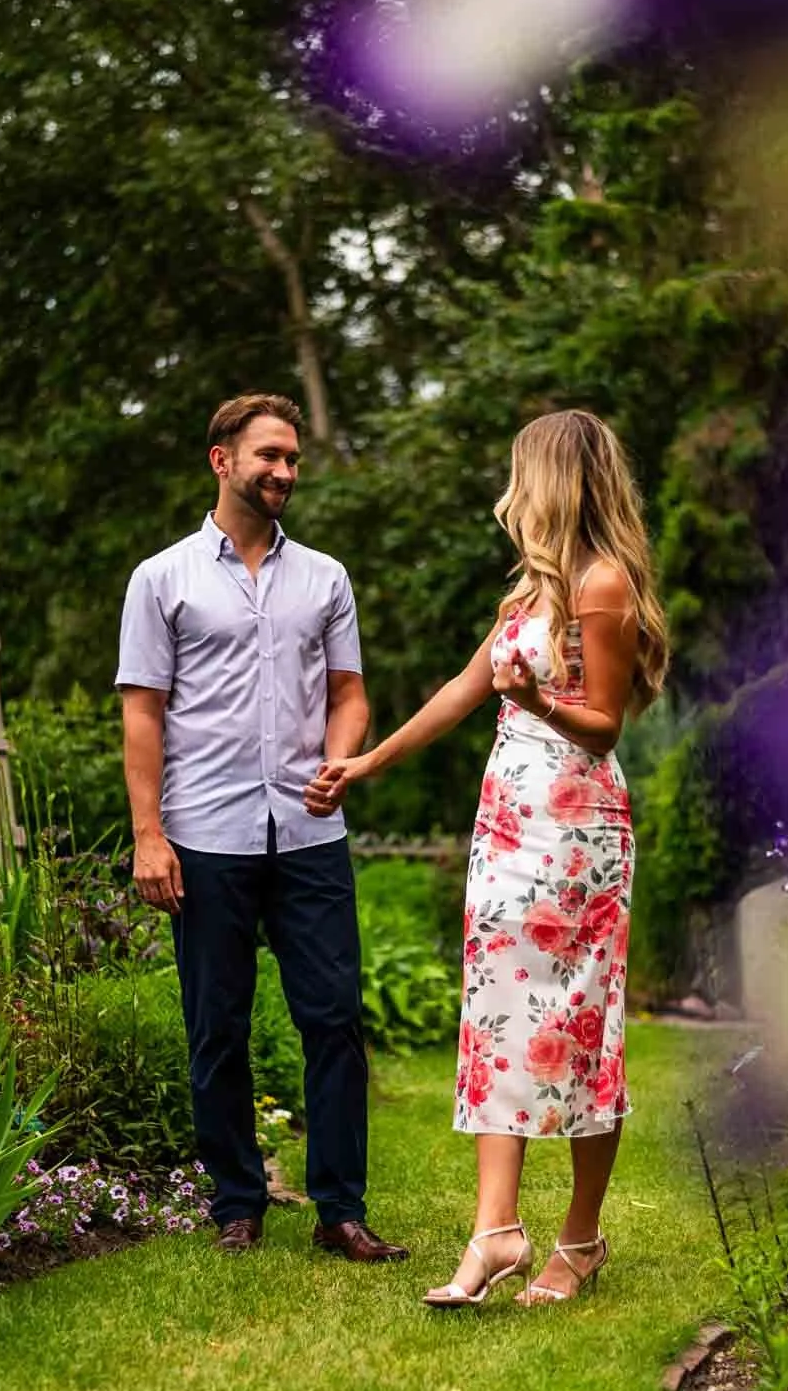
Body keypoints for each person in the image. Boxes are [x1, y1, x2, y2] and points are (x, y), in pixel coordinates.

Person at [307, 410, 667, 1306]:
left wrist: (540, 701)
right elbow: (463, 692)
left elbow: (603, 725)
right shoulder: (525, 596)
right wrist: (367, 762)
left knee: (581, 1026)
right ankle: (494, 1232)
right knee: (497, 1017)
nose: (509, 491)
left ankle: (579, 1241)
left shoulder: (601, 585)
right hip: (507, 826)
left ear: (549, 478)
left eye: (519, 471)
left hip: (578, 829)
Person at [115, 392, 407, 1264]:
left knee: (333, 1020)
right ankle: (236, 1203)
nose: (283, 471)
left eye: (292, 459)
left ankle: (339, 1211)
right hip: (204, 835)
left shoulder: (325, 577)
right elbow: (142, 712)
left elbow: (348, 694)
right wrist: (148, 835)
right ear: (221, 459)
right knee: (217, 1026)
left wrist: (341, 759)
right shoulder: (161, 578)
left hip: (311, 838)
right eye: (268, 456)